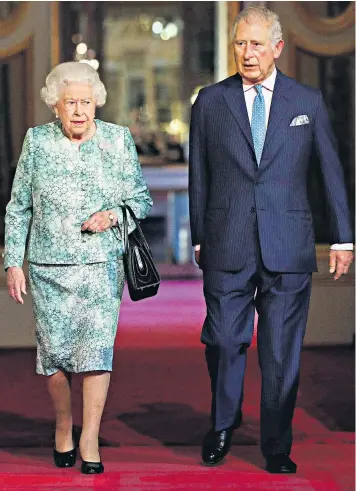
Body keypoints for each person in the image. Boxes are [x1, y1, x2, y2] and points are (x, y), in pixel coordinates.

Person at [188, 6, 353, 474]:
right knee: (222, 340)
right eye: (241, 43)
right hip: (227, 239)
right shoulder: (210, 102)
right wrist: (200, 234)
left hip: (288, 243)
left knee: (281, 350)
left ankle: (277, 443)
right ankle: (224, 421)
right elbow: (197, 173)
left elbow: (331, 173)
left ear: (277, 48)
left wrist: (343, 237)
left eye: (257, 43)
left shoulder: (308, 101)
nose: (248, 52)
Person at [4, 62, 152, 474]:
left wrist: (113, 216)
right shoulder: (37, 142)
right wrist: (13, 262)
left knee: (96, 353)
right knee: (54, 355)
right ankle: (64, 425)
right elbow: (19, 208)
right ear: (55, 105)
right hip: (50, 266)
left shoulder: (118, 140)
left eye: (86, 102)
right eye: (71, 103)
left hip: (101, 265)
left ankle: (89, 436)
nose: (80, 111)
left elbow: (141, 201)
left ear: (96, 103)